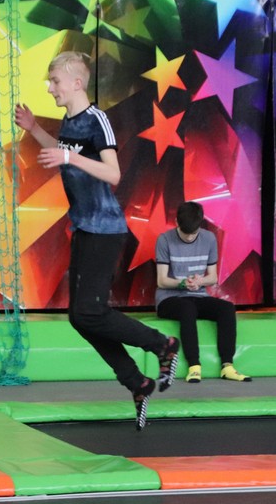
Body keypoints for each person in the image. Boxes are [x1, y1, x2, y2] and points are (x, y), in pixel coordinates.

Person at [14, 50, 179, 430]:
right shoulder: (71, 121)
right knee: (80, 318)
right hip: (84, 229)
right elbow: (63, 151)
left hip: (105, 230)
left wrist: (70, 160)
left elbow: (113, 173)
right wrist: (34, 129)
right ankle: (137, 382)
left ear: (76, 83)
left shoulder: (96, 119)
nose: (50, 88)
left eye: (55, 82)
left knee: (90, 312)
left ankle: (161, 344)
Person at [155, 201, 251, 384]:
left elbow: (212, 278)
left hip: (198, 295)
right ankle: (194, 366)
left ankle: (227, 366)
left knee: (227, 308)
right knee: (187, 308)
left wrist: (200, 281)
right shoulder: (164, 240)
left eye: (194, 233)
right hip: (169, 298)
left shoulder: (209, 239)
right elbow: (161, 280)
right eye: (185, 233)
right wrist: (182, 283)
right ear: (176, 223)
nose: (190, 237)